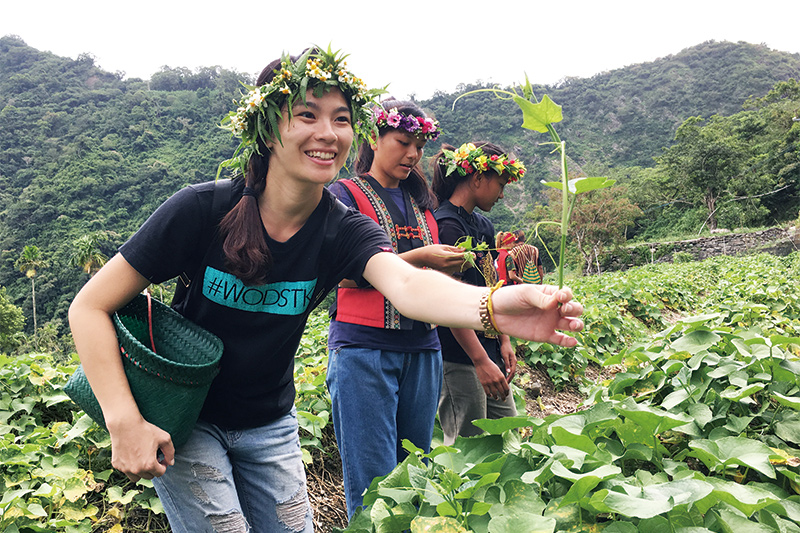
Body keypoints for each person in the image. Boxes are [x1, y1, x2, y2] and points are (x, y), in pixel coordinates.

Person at [68, 48, 584, 533]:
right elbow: (89, 306)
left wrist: (492, 306)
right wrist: (124, 421)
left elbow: (405, 284)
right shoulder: (202, 209)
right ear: (268, 128)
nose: (328, 133)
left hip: (269, 420)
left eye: (341, 119)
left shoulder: (343, 228)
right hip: (188, 416)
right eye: (307, 115)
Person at [325, 99, 464, 518]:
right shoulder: (342, 195)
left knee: (414, 472)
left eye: (419, 146)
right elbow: (337, 273)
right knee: (373, 484)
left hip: (424, 348)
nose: (413, 154)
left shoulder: (422, 204)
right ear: (373, 137)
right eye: (403, 142)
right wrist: (421, 257)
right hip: (364, 348)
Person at [431, 141, 529, 445]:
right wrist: (479, 360)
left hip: (486, 350)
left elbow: (489, 287)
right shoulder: (446, 225)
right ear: (477, 179)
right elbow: (445, 302)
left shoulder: (482, 226)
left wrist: (504, 340)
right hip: (460, 355)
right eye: (499, 185)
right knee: (466, 446)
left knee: (508, 433)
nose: (501, 195)